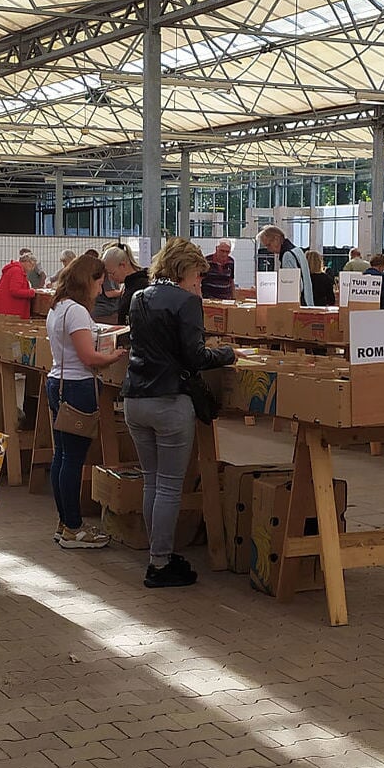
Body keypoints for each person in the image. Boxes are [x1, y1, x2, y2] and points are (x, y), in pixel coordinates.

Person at [120, 238, 237, 588]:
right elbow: (195, 357)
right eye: (198, 277)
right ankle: (159, 563)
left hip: (135, 399)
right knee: (170, 485)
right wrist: (227, 354)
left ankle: (157, 553)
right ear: (184, 270)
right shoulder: (186, 302)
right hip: (170, 401)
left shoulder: (140, 296)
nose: (199, 283)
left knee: (151, 480)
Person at [45, 256, 129, 549]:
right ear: (87, 281)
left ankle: (64, 520)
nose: (101, 287)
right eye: (98, 281)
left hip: (57, 381)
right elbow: (89, 357)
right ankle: (73, 527)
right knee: (72, 459)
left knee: (62, 456)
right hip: (78, 386)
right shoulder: (77, 311)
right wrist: (114, 357)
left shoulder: (57, 307)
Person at [257, 225, 312, 305]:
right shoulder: (298, 250)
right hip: (308, 302)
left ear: (277, 239)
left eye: (268, 245)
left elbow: (294, 287)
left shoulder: (287, 255)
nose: (268, 249)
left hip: (299, 305)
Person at [103, 244, 150, 326]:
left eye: (112, 273)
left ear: (123, 265)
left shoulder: (142, 286)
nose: (110, 278)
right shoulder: (128, 284)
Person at [0, 250, 40, 318]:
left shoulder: (13, 270)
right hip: (11, 310)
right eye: (32, 265)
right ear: (26, 262)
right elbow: (15, 291)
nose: (32, 268)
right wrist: (31, 292)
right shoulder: (17, 271)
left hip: (6, 309)